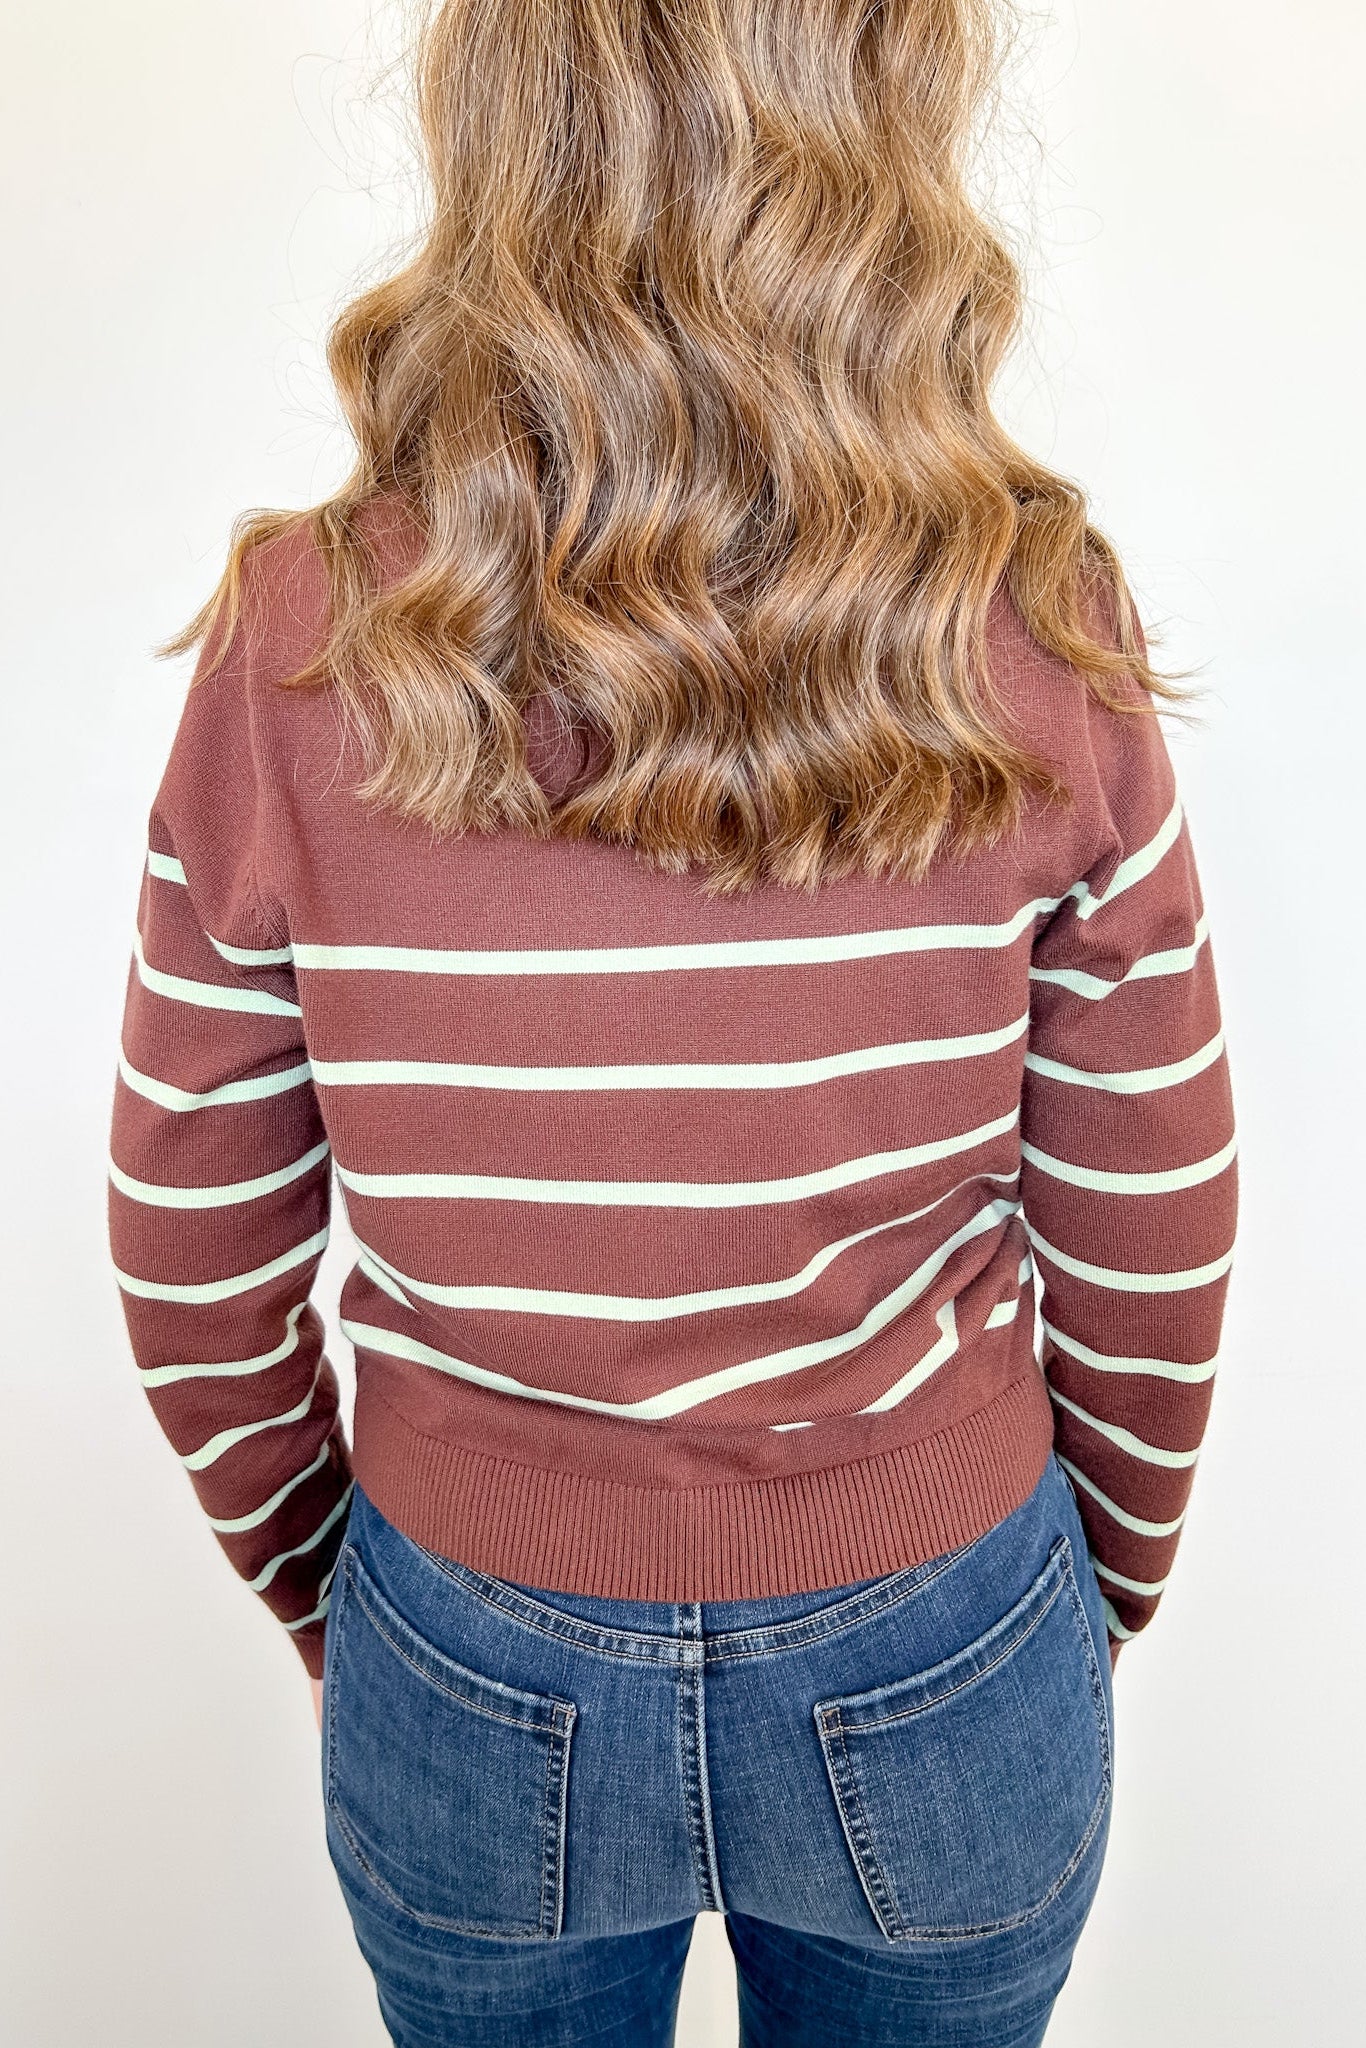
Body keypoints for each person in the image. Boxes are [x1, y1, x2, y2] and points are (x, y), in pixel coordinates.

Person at [107, 1, 1237, 2041]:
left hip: (466, 1638)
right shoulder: (1036, 622)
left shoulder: (295, 644)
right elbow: (1151, 1222)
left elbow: (188, 1256)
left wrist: (353, 1593)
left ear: (493, 129)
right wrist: (1084, 1590)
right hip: (945, 1613)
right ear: (885, 122)